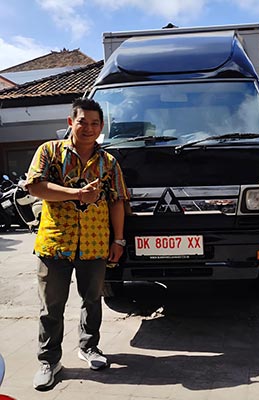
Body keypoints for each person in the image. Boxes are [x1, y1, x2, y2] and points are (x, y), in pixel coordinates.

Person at [26, 98, 129, 390]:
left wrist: (118, 239)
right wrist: (77, 194)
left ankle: (89, 347)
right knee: (51, 306)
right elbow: (35, 186)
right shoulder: (49, 151)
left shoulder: (109, 163)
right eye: (83, 121)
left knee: (92, 301)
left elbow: (117, 201)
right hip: (55, 243)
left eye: (95, 123)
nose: (89, 128)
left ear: (102, 127)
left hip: (95, 244)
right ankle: (49, 361)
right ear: (71, 122)